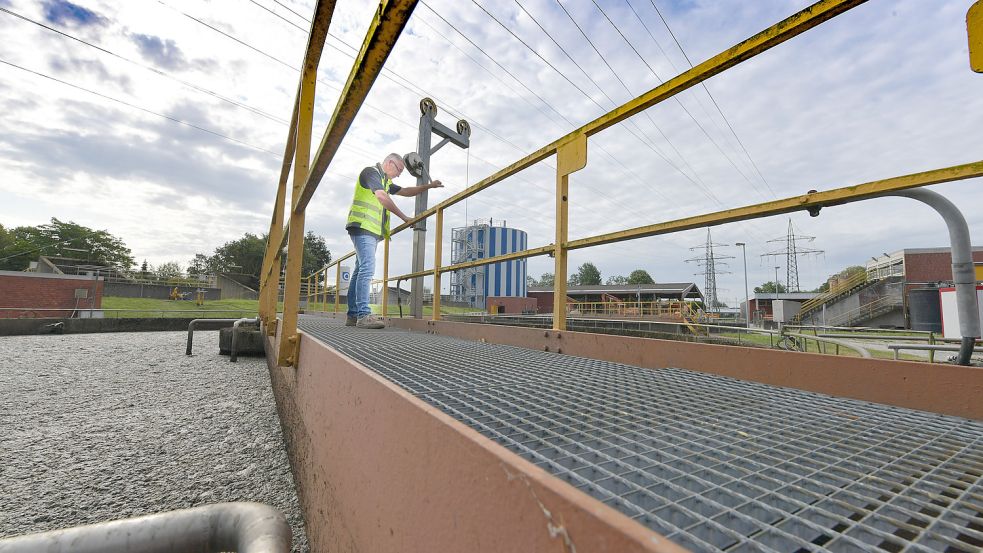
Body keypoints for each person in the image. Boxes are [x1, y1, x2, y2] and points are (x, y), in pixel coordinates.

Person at [346, 152, 443, 329]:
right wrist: (405, 218)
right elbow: (382, 197)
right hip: (363, 226)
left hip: (368, 230)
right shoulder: (371, 173)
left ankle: (353, 315)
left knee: (360, 270)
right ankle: (363, 315)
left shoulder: (386, 181)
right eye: (399, 169)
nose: (399, 174)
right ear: (390, 163)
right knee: (367, 268)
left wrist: (429, 186)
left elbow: (405, 191)